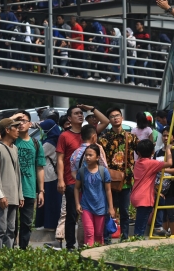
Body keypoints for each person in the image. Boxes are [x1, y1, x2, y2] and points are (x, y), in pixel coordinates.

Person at [56, 104, 109, 250]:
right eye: (76, 113)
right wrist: (61, 179)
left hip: (92, 184)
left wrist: (91, 109)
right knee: (72, 214)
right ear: (69, 118)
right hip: (72, 181)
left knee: (89, 214)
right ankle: (71, 245)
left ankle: (85, 244)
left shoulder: (88, 133)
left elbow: (105, 122)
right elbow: (60, 159)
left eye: (81, 113)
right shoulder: (64, 135)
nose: (80, 115)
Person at [98, 107, 138, 241]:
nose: (115, 118)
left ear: (122, 118)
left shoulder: (131, 137)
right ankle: (107, 238)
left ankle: (125, 238)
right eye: (112, 116)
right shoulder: (104, 138)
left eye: (117, 115)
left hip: (126, 180)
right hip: (109, 179)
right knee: (109, 210)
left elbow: (142, 153)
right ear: (109, 120)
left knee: (125, 211)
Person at [8, 110, 45, 249]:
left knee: (26, 224)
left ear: (30, 124)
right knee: (10, 224)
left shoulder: (36, 144)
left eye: (23, 120)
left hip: (29, 189)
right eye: (18, 121)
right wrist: (13, 118)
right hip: (12, 189)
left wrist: (41, 191)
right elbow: (0, 133)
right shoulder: (10, 140)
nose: (21, 123)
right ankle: (10, 251)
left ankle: (23, 252)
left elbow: (40, 168)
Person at [0, 119, 24, 249]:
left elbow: (17, 173)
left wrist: (20, 194)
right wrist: (0, 195)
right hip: (2, 196)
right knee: (0, 229)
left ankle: (8, 257)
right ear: (7, 130)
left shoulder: (14, 148)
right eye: (15, 127)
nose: (18, 129)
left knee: (11, 229)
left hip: (13, 195)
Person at [74, 144, 114, 246]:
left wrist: (111, 207)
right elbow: (76, 188)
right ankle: (89, 257)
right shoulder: (82, 171)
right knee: (89, 233)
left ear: (97, 157)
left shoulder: (103, 171)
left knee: (99, 234)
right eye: (86, 155)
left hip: (101, 207)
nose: (87, 157)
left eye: (90, 155)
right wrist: (78, 204)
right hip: (86, 206)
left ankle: (97, 257)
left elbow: (108, 190)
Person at [130, 140, 172, 237]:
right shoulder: (151, 163)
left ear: (139, 152)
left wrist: (156, 192)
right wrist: (168, 149)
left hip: (136, 196)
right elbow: (169, 163)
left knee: (160, 200)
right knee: (140, 226)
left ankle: (157, 226)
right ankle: (139, 238)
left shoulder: (137, 163)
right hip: (145, 199)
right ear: (153, 152)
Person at [154, 128, 174, 236]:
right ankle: (164, 237)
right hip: (159, 187)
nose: (165, 138)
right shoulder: (158, 152)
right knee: (162, 213)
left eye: (168, 136)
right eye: (164, 135)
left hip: (172, 186)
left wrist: (162, 169)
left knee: (172, 213)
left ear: (173, 137)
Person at [37, 119, 62, 231]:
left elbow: (38, 154)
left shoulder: (49, 143)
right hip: (51, 174)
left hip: (48, 175)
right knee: (51, 200)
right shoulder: (55, 140)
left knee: (49, 201)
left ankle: (49, 224)